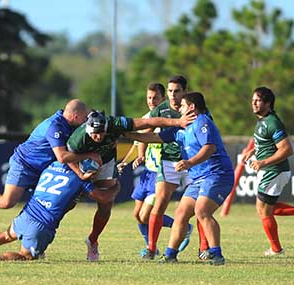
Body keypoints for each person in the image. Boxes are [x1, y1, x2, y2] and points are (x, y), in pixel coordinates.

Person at [67, 107, 195, 261]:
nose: (99, 136)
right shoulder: (77, 138)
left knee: (106, 202)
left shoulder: (115, 124)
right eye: (95, 133)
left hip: (107, 162)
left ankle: (93, 240)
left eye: (102, 132)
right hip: (77, 163)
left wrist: (178, 122)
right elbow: (66, 157)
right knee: (67, 203)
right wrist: (81, 173)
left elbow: (146, 122)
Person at [127, 92, 235, 265]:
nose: (180, 108)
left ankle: (216, 254)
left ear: (192, 107)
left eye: (183, 106)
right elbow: (154, 137)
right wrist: (130, 135)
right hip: (199, 178)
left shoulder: (202, 122)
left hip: (217, 174)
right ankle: (170, 254)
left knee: (202, 210)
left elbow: (210, 147)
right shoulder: (180, 129)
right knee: (181, 213)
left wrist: (189, 162)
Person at [0, 99, 99, 217]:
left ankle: (31, 237)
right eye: (84, 118)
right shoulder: (55, 126)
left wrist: (80, 173)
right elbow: (62, 156)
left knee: (64, 201)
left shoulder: (70, 124)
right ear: (75, 117)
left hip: (42, 169)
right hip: (25, 164)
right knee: (6, 202)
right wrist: (89, 156)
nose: (85, 121)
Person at [0, 161, 119, 261]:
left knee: (5, 236)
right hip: (41, 226)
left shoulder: (53, 165)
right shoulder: (81, 179)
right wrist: (116, 187)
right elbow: (103, 198)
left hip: (27, 213)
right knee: (26, 257)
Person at [241, 86, 294, 256]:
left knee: (263, 210)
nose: (254, 103)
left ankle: (277, 249)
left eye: (258, 100)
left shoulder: (272, 122)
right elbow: (265, 143)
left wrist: (262, 162)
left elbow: (286, 150)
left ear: (268, 103)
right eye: (253, 100)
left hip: (274, 170)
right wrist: (252, 151)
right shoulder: (263, 121)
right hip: (270, 170)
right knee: (266, 209)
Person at [117, 82, 191, 256]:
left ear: (162, 98)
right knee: (138, 215)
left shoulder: (177, 115)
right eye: (149, 98)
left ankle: (179, 229)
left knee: (148, 213)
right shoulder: (149, 117)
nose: (152, 101)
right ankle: (152, 247)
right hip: (147, 172)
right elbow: (140, 140)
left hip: (162, 168)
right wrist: (136, 157)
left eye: (155, 98)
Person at [141, 75, 206, 260]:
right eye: (170, 91)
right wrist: (140, 153)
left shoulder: (194, 109)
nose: (172, 95)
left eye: (176, 91)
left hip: (192, 162)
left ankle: (204, 249)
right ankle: (151, 248)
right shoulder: (161, 109)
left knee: (202, 207)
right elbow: (146, 130)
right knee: (160, 203)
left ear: (185, 91)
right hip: (168, 161)